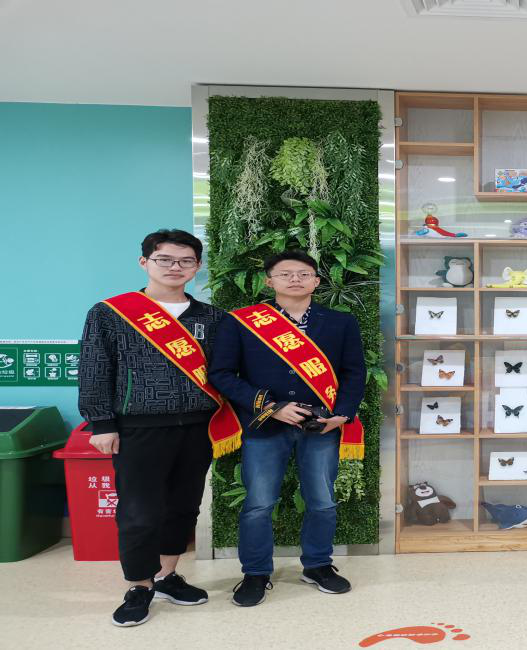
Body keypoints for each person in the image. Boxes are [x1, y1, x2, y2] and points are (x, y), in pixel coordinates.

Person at [79, 229, 233, 627]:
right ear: (144, 262)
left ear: (197, 267)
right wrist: (101, 423)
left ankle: (166, 576)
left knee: (183, 506)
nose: (175, 267)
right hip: (138, 428)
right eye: (164, 259)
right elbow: (95, 368)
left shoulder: (212, 318)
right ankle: (139, 586)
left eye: (185, 261)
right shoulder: (111, 313)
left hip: (198, 427)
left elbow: (225, 373)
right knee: (139, 511)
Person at [209, 250, 365, 607]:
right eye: (285, 274)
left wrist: (342, 414)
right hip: (265, 425)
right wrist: (270, 406)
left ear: (316, 281)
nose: (295, 279)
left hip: (321, 425)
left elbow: (354, 373)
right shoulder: (242, 322)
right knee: (259, 503)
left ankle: (318, 565)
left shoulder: (340, 322)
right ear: (269, 281)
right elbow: (222, 374)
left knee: (322, 500)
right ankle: (255, 573)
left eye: (303, 273)